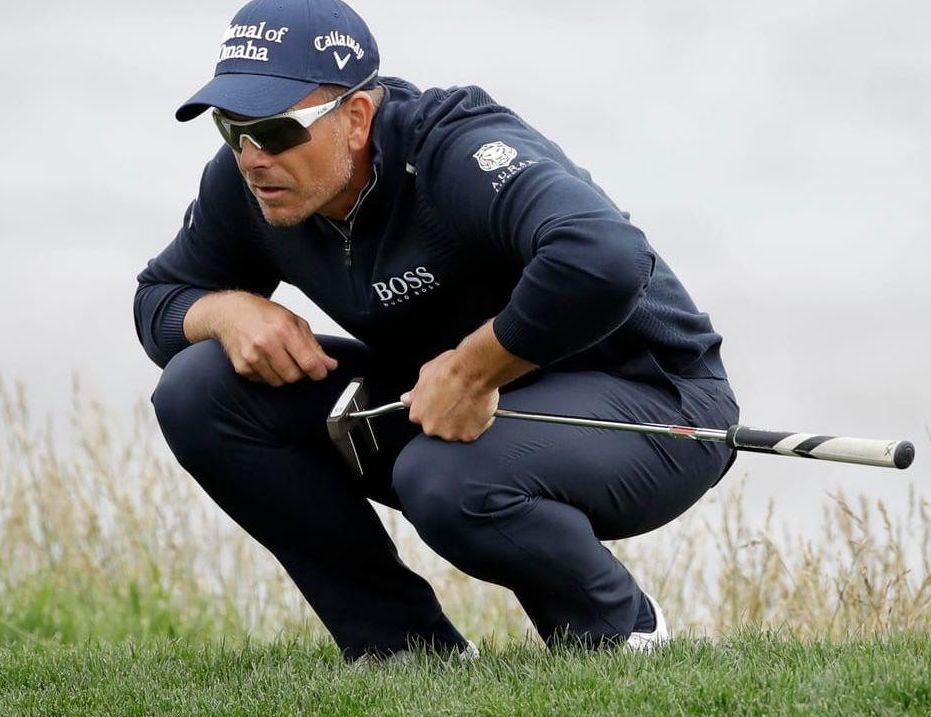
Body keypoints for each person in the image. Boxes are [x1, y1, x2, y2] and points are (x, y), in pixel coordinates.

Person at [133, 0, 739, 663]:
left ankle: (621, 640)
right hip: (449, 404)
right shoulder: (252, 186)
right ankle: (405, 652)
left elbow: (607, 259)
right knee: (197, 389)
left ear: (357, 117)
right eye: (232, 128)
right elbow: (160, 299)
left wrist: (477, 369)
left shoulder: (457, 153)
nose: (252, 157)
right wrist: (227, 311)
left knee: (445, 474)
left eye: (276, 131)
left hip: (655, 403)